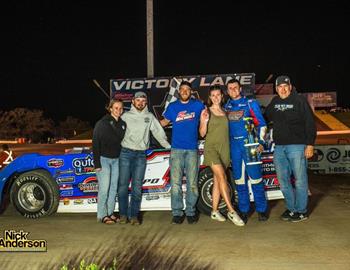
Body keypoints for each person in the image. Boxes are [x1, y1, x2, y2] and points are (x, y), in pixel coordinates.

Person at [265, 75, 316, 222]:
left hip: (297, 146)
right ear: (276, 89)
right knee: (283, 180)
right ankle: (291, 208)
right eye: (279, 87)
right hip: (279, 148)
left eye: (285, 86)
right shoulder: (274, 102)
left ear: (290, 86)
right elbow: (265, 117)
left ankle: (301, 211)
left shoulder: (299, 101)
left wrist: (310, 144)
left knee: (300, 180)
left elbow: (310, 123)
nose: (283, 89)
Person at [118, 91, 170, 225]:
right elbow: (115, 133)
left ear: (146, 102)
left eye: (143, 101)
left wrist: (168, 147)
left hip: (140, 155)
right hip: (125, 153)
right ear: (133, 102)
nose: (140, 103)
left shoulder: (149, 117)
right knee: (123, 185)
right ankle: (123, 214)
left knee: (136, 187)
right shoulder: (125, 116)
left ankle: (134, 215)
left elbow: (159, 133)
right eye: (138, 100)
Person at [199, 85, 245, 226]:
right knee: (222, 177)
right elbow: (202, 133)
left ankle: (214, 211)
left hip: (225, 149)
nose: (216, 97)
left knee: (218, 180)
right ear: (210, 97)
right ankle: (231, 211)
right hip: (212, 149)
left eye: (218, 95)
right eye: (213, 95)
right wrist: (205, 121)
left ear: (222, 96)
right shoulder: (206, 111)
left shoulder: (226, 111)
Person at [224, 78, 269, 223]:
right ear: (227, 90)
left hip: (250, 147)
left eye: (235, 87)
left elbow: (262, 124)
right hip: (234, 148)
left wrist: (261, 142)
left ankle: (261, 210)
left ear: (240, 88)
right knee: (239, 181)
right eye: (230, 88)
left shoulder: (250, 103)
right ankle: (244, 210)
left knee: (256, 180)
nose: (233, 90)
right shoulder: (227, 106)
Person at [161, 81, 205, 225]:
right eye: (182, 89)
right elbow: (163, 123)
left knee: (192, 183)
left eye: (187, 89)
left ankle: (191, 211)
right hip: (176, 150)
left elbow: (208, 117)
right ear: (179, 91)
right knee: (176, 183)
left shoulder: (198, 105)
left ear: (191, 92)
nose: (185, 91)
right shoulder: (173, 107)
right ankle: (177, 213)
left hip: (192, 149)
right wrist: (146, 122)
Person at [92, 99, 126, 224]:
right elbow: (95, 143)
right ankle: (102, 215)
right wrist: (97, 164)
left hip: (116, 160)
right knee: (104, 188)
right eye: (116, 108)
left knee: (113, 188)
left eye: (121, 108)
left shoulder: (123, 124)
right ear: (110, 108)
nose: (118, 110)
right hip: (103, 159)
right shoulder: (102, 123)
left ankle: (110, 213)